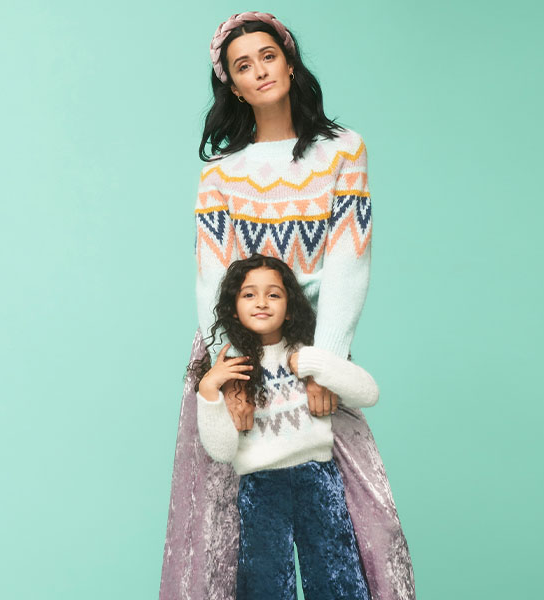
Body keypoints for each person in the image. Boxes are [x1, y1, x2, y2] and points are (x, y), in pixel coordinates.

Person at [159, 12, 414, 600]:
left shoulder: (342, 152)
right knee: (230, 528)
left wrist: (327, 360)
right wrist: (230, 373)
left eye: (268, 56)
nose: (259, 71)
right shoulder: (221, 175)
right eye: (242, 65)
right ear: (231, 83)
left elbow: (350, 261)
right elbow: (211, 280)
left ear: (290, 62)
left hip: (313, 344)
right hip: (235, 351)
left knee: (352, 518)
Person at [194, 255, 374, 600]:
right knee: (264, 586)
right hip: (262, 489)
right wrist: (208, 390)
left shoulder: (308, 354)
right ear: (233, 309)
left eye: (274, 294)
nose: (261, 302)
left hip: (318, 481)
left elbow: (369, 393)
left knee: (338, 581)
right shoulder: (233, 371)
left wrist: (313, 361)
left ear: (290, 307)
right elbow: (221, 451)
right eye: (249, 295)